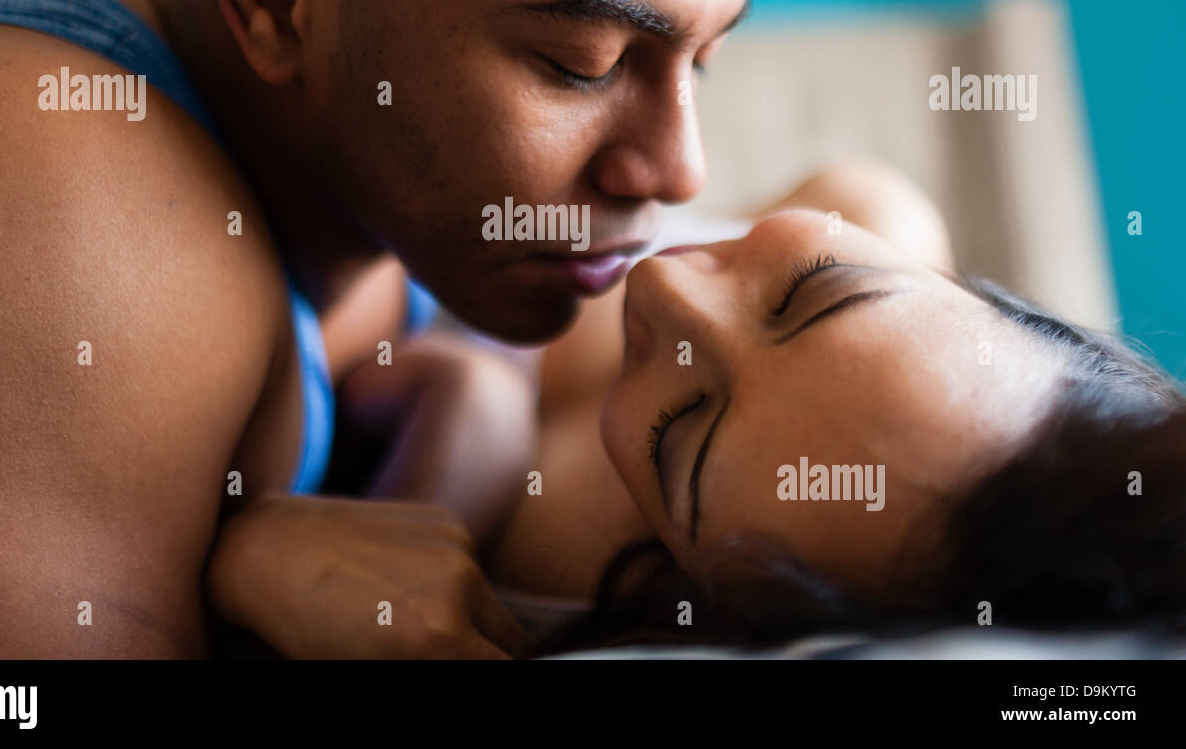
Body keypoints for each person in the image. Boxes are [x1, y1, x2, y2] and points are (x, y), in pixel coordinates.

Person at [0, 0, 751, 657]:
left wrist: (471, 411)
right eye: (582, 65)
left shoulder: (358, 160)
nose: (681, 170)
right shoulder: (52, 207)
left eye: (704, 63)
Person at [428, 162, 1185, 652]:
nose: (663, 288)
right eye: (816, 288)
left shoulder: (552, 545)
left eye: (680, 436)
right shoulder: (863, 209)